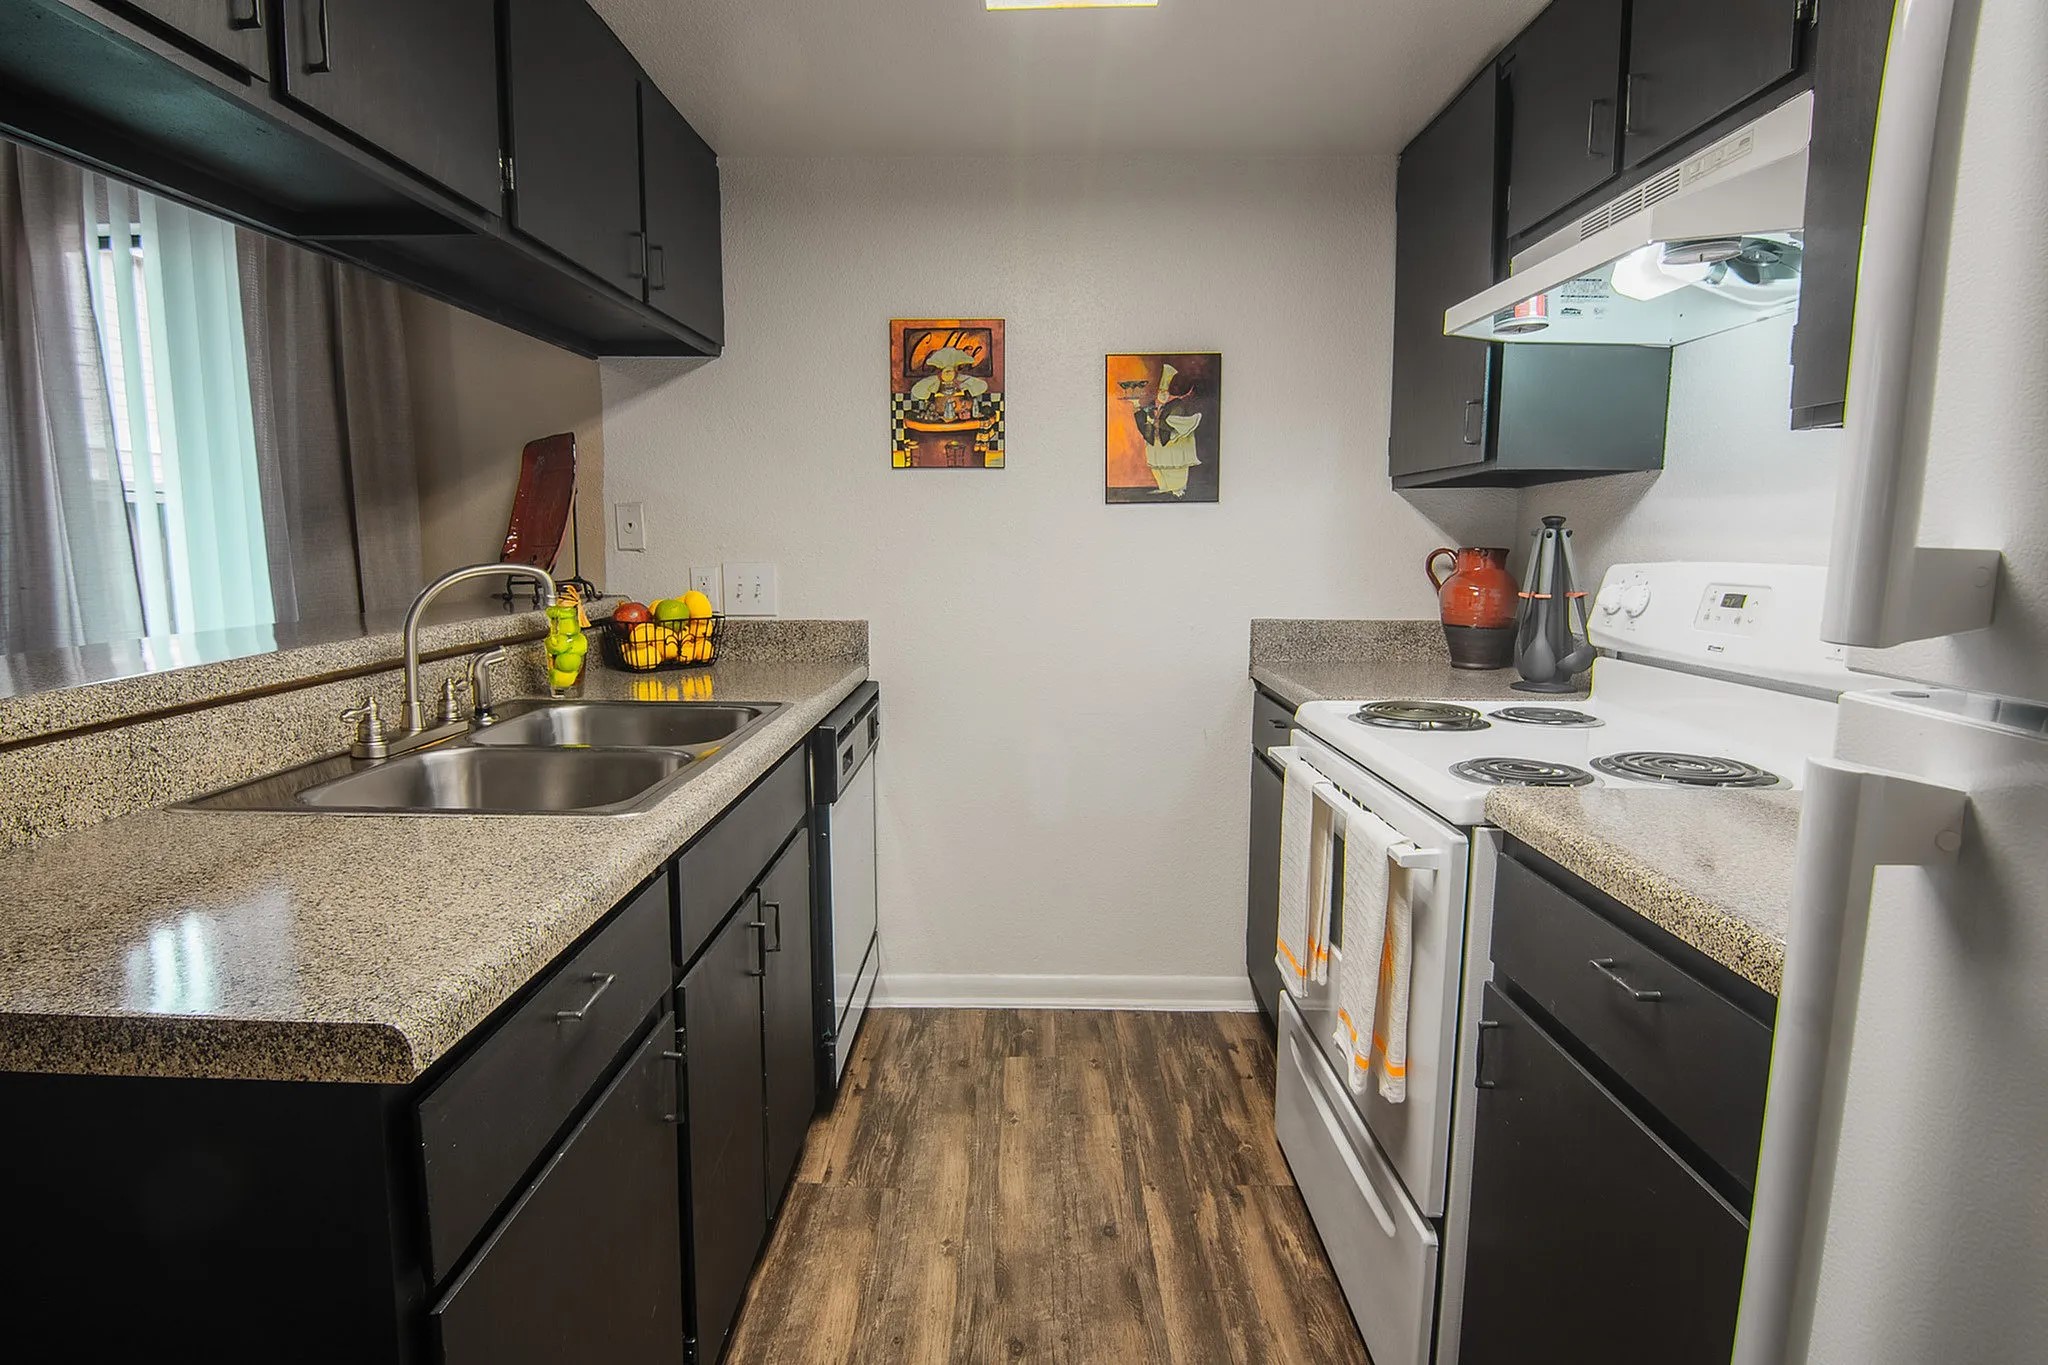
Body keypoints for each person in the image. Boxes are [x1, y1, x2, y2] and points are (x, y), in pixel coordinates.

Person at [1130, 363, 1202, 497]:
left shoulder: (1176, 405)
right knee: (1159, 467)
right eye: (1161, 392)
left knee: (1174, 467)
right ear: (1158, 393)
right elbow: (1144, 421)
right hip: (1157, 442)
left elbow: (1171, 421)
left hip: (1169, 441)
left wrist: (1157, 422)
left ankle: (1177, 490)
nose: (1163, 395)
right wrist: (1137, 408)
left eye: (1166, 393)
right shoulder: (1151, 406)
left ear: (1169, 395)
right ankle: (1164, 487)